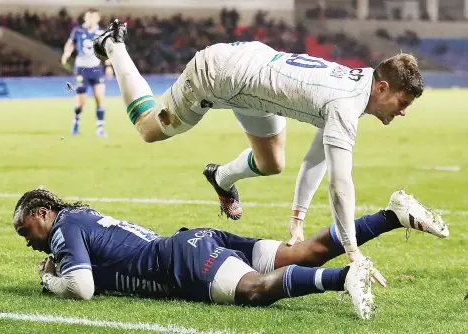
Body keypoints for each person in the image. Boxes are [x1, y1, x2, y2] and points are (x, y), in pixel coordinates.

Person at [91, 20, 427, 268]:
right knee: (149, 128)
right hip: (216, 75)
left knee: (271, 163)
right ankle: (113, 46)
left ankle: (221, 177)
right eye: (403, 103)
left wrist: (297, 220)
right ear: (382, 88)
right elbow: (340, 185)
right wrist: (352, 252)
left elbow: (317, 158)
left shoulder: (361, 85)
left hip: (255, 80)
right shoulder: (347, 103)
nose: (403, 112)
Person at [14, 188, 448, 320]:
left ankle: (344, 278)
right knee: (304, 252)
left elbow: (81, 287)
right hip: (193, 240)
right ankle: (393, 215)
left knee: (256, 291)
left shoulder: (63, 229)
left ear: (42, 213)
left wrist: (50, 278)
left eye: (25, 228)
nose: (26, 238)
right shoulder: (81, 217)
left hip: (178, 260)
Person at [61, 8, 113, 137]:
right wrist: (66, 54)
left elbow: (106, 50)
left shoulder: (101, 32)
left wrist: (108, 66)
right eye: (89, 17)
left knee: (99, 98)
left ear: (98, 19)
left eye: (94, 17)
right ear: (85, 18)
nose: (91, 20)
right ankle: (76, 122)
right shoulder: (78, 31)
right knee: (81, 101)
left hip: (96, 68)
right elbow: (70, 44)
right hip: (82, 69)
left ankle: (100, 128)